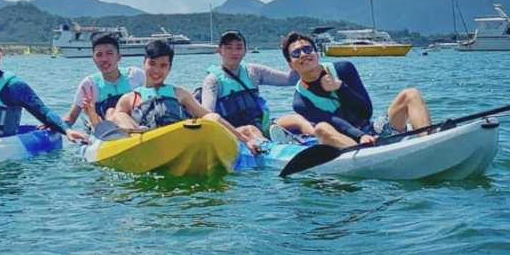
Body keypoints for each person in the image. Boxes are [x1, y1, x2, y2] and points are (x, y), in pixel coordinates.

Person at [281, 31, 431, 150]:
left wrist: (340, 87)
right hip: (345, 142)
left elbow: (366, 111)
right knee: (321, 129)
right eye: (296, 53)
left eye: (307, 49)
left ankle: (428, 143)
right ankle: (368, 156)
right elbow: (333, 121)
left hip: (374, 130)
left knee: (410, 94)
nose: (304, 54)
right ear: (290, 64)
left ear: (317, 53)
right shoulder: (300, 100)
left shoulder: (343, 69)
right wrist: (360, 137)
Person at [108, 40, 261, 155]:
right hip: (145, 142)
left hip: (178, 140)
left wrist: (245, 140)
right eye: (152, 64)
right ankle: (137, 133)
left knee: (212, 118)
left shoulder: (179, 93)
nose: (156, 70)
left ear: (169, 68)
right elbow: (116, 119)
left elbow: (210, 115)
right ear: (144, 63)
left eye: (163, 66)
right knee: (117, 114)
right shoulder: (131, 97)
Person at [197, 30, 312, 144]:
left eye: (238, 47)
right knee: (251, 130)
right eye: (228, 48)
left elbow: (290, 79)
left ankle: (320, 140)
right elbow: (208, 116)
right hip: (234, 133)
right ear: (219, 51)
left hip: (261, 127)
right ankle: (268, 149)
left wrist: (291, 54)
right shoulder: (212, 80)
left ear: (245, 51)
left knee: (296, 119)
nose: (234, 52)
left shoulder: (253, 71)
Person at [62, 32, 145, 129]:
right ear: (93, 58)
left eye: (109, 53)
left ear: (119, 56)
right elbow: (71, 117)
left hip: (138, 123)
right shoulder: (89, 85)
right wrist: (53, 126)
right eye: (99, 55)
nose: (104, 59)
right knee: (110, 112)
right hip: (104, 132)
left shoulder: (135, 75)